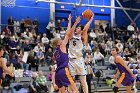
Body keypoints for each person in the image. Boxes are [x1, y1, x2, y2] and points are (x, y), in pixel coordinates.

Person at [52, 14, 78, 93]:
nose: (61, 40)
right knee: (75, 90)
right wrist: (69, 21)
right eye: (60, 40)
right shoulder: (62, 46)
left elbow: (54, 60)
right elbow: (68, 33)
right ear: (58, 43)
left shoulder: (55, 52)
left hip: (57, 74)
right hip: (63, 71)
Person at [68, 14, 93, 93]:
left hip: (79, 60)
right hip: (71, 61)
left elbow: (85, 29)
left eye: (78, 28)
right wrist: (75, 23)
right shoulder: (72, 36)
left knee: (83, 81)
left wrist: (91, 19)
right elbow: (70, 33)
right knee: (71, 80)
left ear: (81, 30)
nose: (76, 29)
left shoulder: (82, 38)